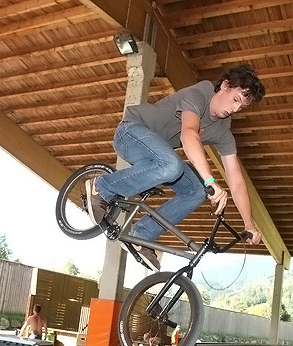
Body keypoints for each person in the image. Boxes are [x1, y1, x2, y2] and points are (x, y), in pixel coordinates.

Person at [85, 64, 266, 269]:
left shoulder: (223, 131)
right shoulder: (200, 93)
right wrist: (210, 180)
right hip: (131, 132)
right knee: (172, 165)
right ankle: (102, 187)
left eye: (241, 106)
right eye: (235, 100)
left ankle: (143, 233)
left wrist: (249, 223)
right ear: (225, 86)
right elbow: (189, 134)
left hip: (159, 154)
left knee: (197, 191)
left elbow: (236, 179)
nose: (234, 109)